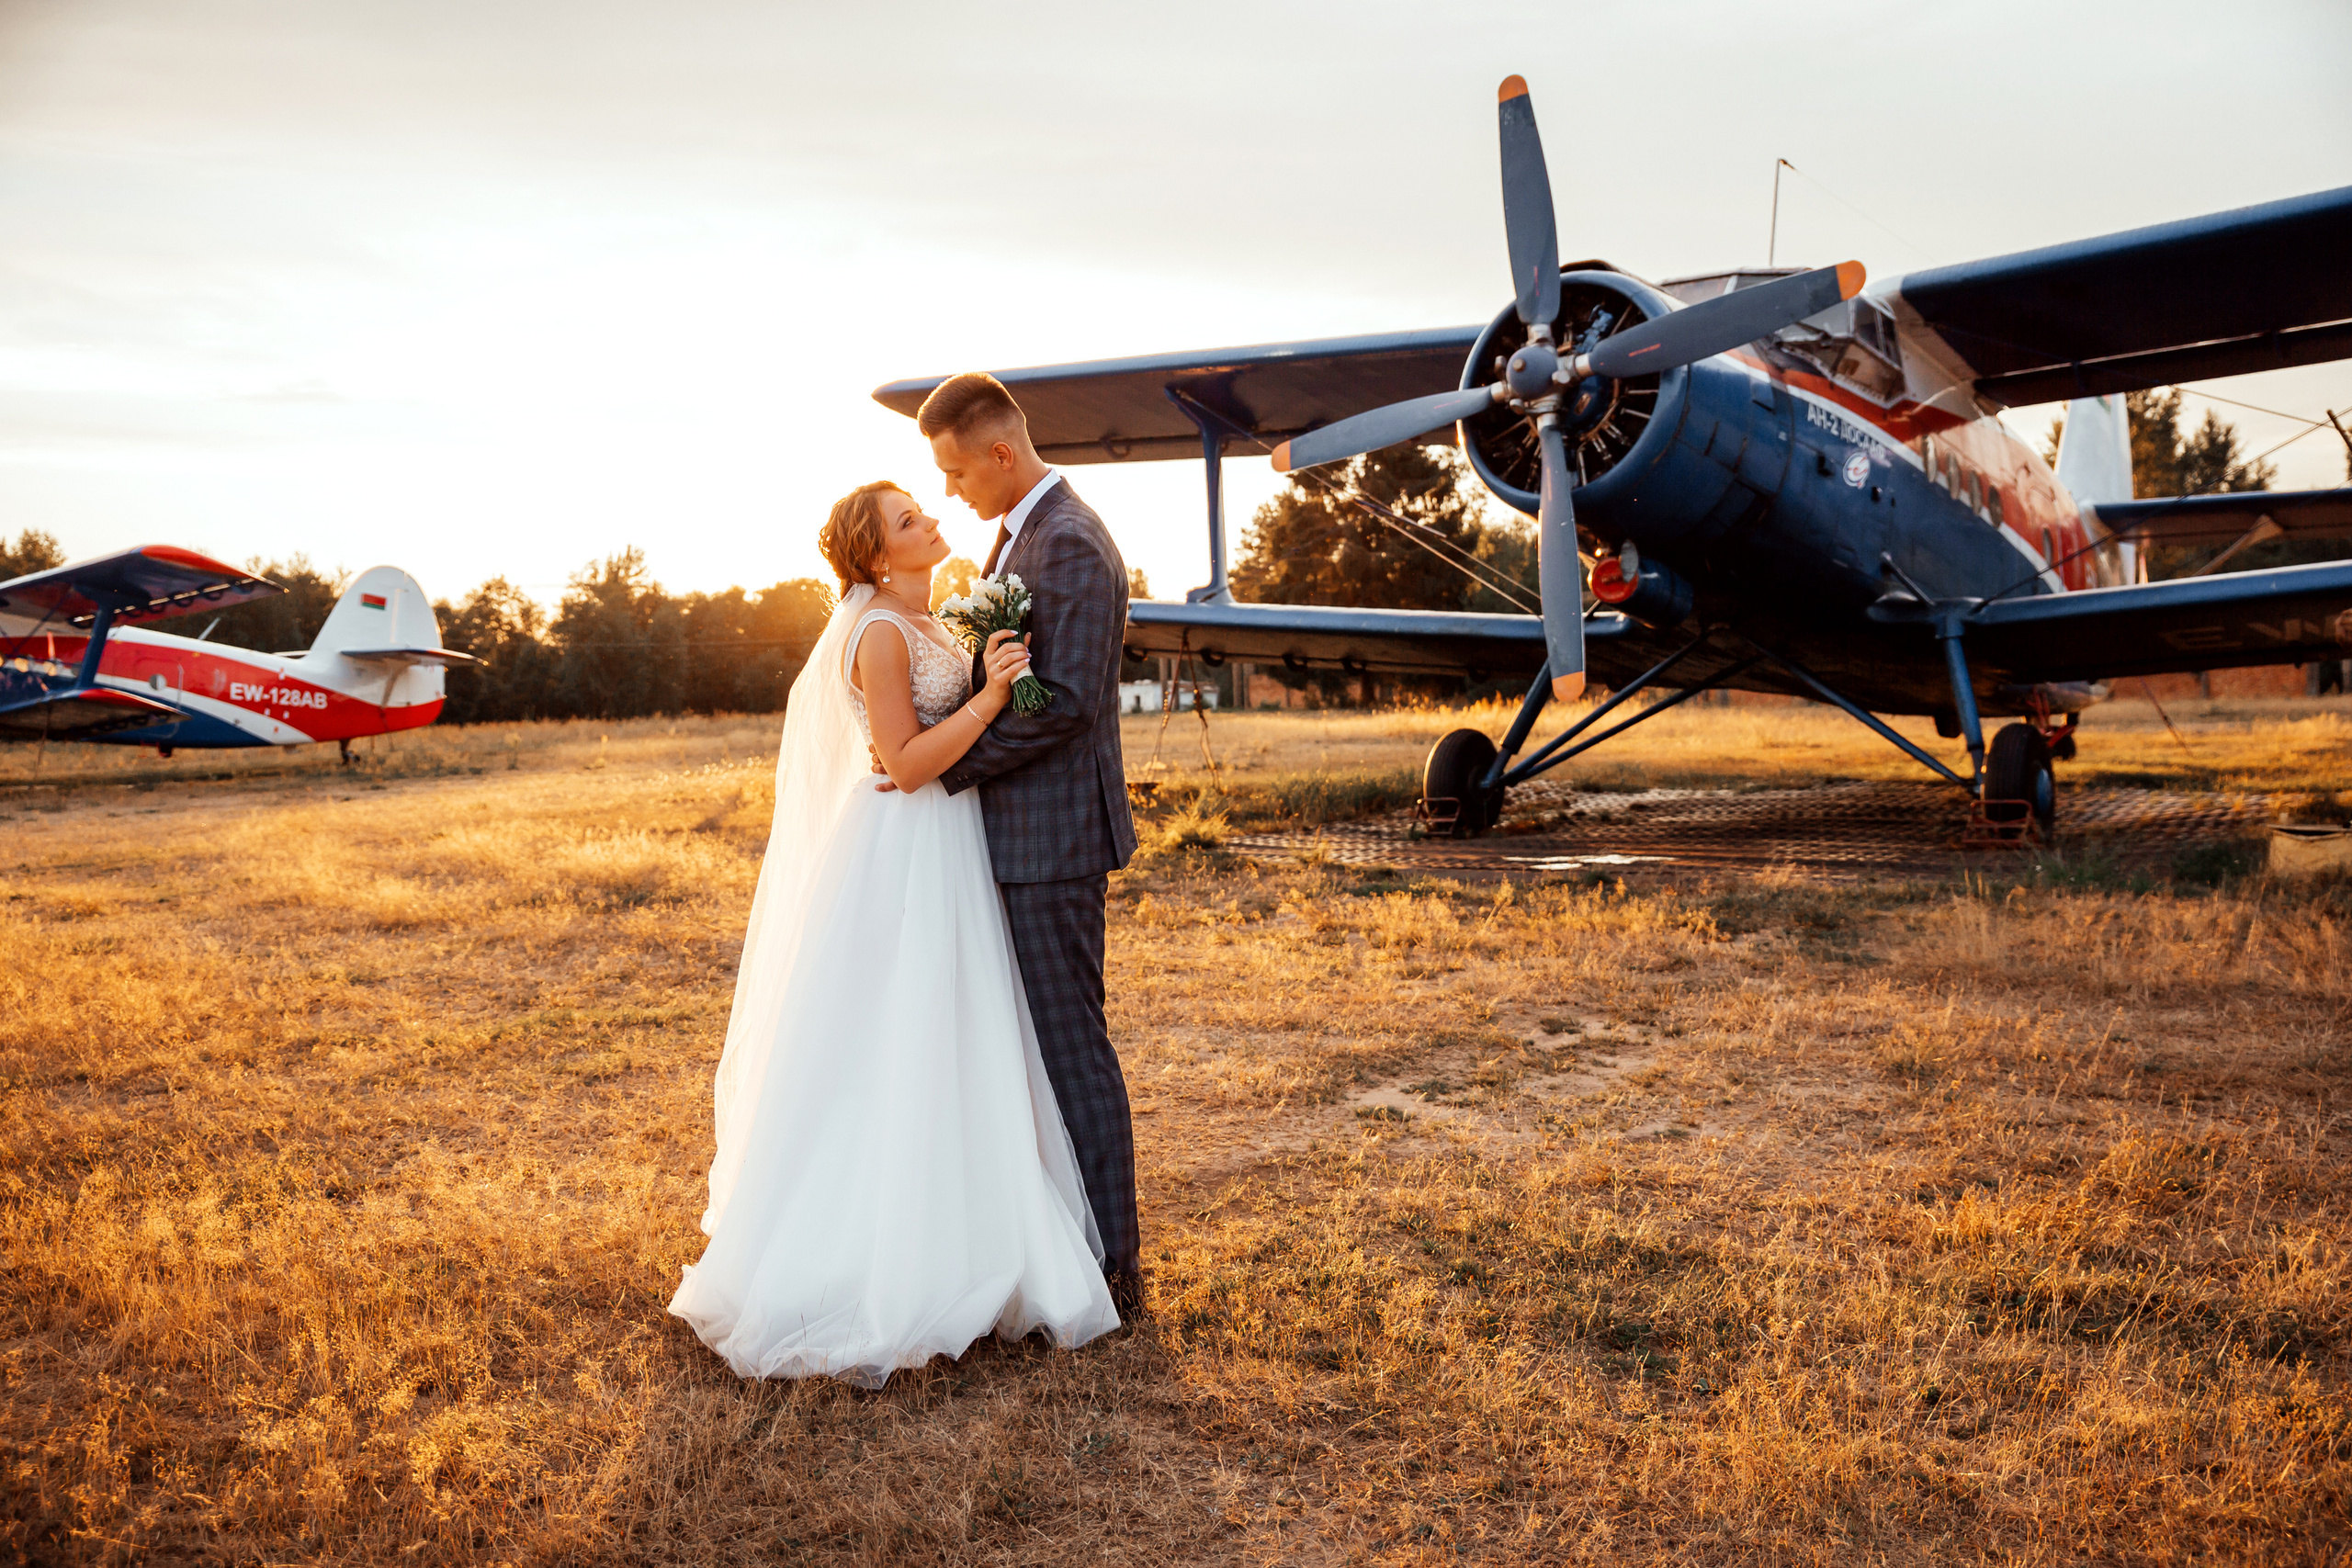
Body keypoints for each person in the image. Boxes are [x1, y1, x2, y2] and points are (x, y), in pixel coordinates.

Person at [668, 479, 1119, 1386]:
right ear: (877, 558)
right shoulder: (876, 633)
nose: (929, 519)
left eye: (921, 507)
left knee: (960, 1034)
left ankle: (974, 1229)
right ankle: (878, 1254)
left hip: (956, 847)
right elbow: (907, 764)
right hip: (908, 846)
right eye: (908, 519)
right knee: (898, 1036)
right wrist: (992, 696)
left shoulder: (933, 622)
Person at [911, 373, 1144, 1315]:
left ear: (1001, 454)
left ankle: (1116, 1270)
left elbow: (1073, 705)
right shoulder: (1020, 538)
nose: (949, 492)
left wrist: (946, 766)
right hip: (1012, 836)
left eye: (956, 471)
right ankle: (1051, 1249)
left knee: (1067, 1050)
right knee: (1024, 1054)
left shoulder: (1071, 546)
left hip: (1049, 842)